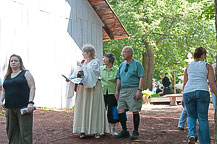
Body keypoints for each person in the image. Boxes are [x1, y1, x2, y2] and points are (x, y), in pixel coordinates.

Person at [69, 44, 110, 139]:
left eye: (84, 52)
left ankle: (96, 130)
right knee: (83, 107)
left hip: (93, 88)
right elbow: (77, 73)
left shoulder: (95, 62)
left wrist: (82, 66)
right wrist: (71, 78)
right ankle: (82, 129)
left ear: (88, 53)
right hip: (83, 89)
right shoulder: (83, 62)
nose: (82, 54)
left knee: (94, 107)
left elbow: (93, 73)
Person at [183, 47, 217, 144]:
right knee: (203, 119)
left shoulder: (188, 67)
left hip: (188, 93)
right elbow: (212, 83)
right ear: (204, 55)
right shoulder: (207, 66)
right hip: (202, 91)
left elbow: (185, 83)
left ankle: (192, 134)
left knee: (191, 116)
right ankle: (205, 142)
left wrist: (182, 98)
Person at [0, 54, 36, 144]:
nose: (13, 62)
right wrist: (1, 100)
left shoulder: (25, 73)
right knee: (11, 132)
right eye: (11, 61)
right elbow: (4, 91)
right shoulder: (7, 76)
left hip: (23, 108)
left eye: (16, 61)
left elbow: (32, 87)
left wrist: (30, 102)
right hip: (9, 108)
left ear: (20, 63)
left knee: (25, 132)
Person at [115, 46, 144, 140]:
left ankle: (135, 131)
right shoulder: (121, 65)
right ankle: (124, 131)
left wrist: (139, 90)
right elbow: (118, 78)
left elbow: (141, 77)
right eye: (122, 52)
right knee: (120, 110)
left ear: (130, 54)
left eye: (125, 52)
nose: (123, 54)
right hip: (123, 90)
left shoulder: (137, 64)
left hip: (134, 89)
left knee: (135, 110)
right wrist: (117, 90)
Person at [100, 53, 119, 136]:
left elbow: (118, 81)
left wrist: (117, 91)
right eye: (104, 58)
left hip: (112, 92)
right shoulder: (100, 69)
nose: (104, 59)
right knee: (101, 110)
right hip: (101, 92)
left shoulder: (116, 70)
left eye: (105, 58)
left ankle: (113, 129)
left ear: (110, 60)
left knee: (112, 110)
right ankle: (102, 128)